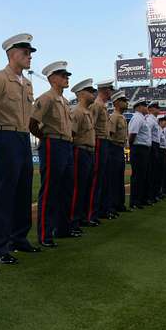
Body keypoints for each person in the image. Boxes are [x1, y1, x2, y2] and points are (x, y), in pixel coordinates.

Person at [0, 34, 40, 265]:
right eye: (26, 52)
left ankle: (19, 238)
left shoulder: (27, 83)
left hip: (23, 138)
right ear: (12, 53)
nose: (29, 56)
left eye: (30, 53)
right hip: (6, 135)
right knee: (3, 195)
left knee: (23, 191)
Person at [29, 61, 73, 247]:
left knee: (65, 189)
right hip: (52, 143)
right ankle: (45, 234)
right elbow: (32, 123)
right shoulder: (46, 98)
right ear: (52, 78)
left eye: (66, 75)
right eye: (63, 75)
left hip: (66, 144)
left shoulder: (65, 101)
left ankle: (62, 228)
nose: (66, 78)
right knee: (50, 190)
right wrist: (45, 138)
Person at [69, 78, 97, 233]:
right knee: (78, 188)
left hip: (89, 151)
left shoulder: (87, 112)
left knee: (86, 187)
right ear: (81, 94)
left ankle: (82, 217)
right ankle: (73, 221)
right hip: (80, 150)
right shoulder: (77, 112)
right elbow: (71, 134)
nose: (93, 94)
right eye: (90, 91)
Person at [88, 79, 114, 223]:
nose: (111, 92)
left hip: (104, 142)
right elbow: (90, 126)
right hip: (98, 141)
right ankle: (92, 213)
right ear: (105, 90)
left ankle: (100, 211)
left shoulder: (102, 106)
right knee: (97, 179)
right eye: (110, 89)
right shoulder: (97, 106)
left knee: (103, 178)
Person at [107, 91, 129, 214]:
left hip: (119, 148)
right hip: (114, 148)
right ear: (116, 103)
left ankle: (120, 204)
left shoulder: (121, 117)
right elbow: (109, 134)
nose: (126, 103)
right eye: (123, 100)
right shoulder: (114, 117)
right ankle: (113, 205)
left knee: (119, 177)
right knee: (114, 178)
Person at [128, 99, 151, 209]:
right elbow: (132, 134)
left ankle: (140, 199)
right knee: (138, 176)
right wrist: (132, 147)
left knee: (142, 175)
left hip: (143, 148)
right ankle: (135, 201)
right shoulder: (137, 118)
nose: (146, 108)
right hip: (139, 148)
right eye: (144, 105)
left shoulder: (142, 118)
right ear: (139, 107)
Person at [146, 101, 162, 202]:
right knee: (152, 171)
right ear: (151, 109)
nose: (158, 109)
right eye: (156, 108)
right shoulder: (150, 120)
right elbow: (149, 134)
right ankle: (151, 195)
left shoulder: (154, 119)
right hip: (152, 145)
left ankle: (154, 194)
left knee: (155, 171)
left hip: (155, 145)